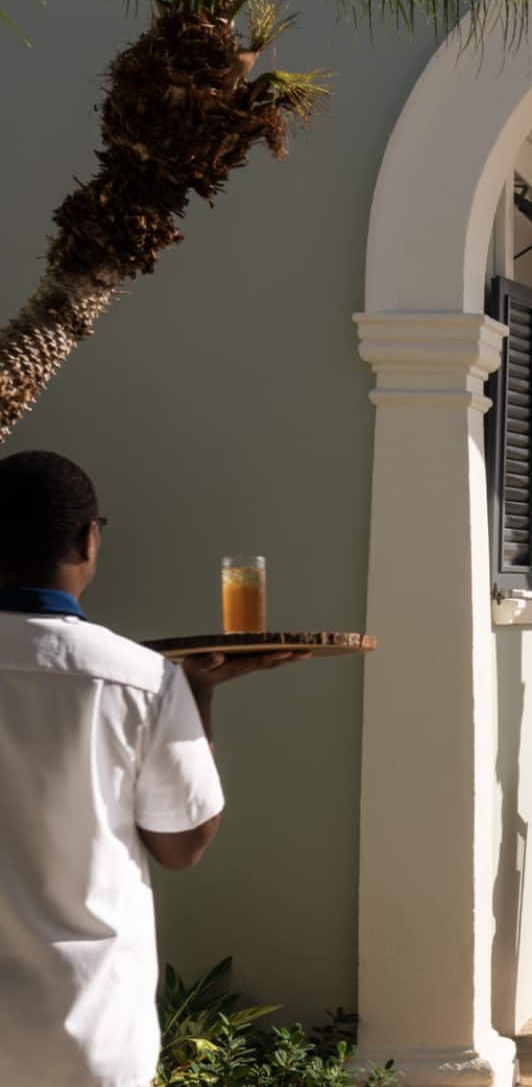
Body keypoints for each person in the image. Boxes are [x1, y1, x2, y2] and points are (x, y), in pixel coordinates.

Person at [0, 450, 307, 1087]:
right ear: (89, 540)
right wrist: (200, 693)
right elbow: (180, 843)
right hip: (85, 1029)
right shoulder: (139, 679)